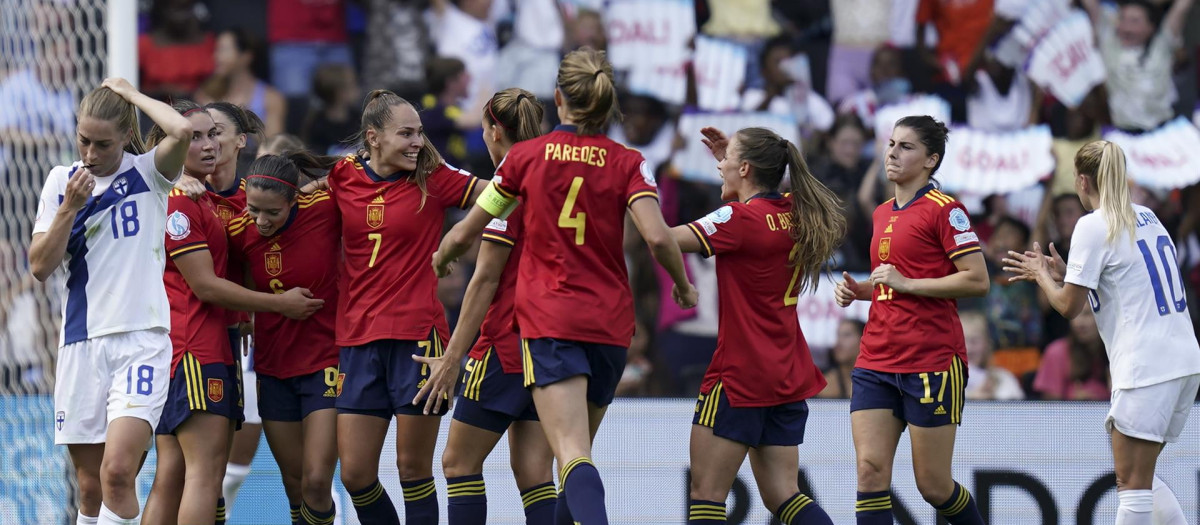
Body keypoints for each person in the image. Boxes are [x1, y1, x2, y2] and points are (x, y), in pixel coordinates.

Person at [432, 47, 697, 524]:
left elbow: (466, 231)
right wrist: (683, 286)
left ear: (559, 97)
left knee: (571, 456)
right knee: (556, 465)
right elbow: (658, 237)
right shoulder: (630, 161)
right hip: (612, 327)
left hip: (551, 323)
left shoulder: (524, 159)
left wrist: (442, 257)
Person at [139, 100, 324, 525]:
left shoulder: (225, 200)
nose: (210, 145)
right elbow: (205, 285)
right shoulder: (181, 200)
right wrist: (280, 304)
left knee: (176, 474)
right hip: (196, 348)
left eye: (213, 134)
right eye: (196, 136)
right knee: (204, 475)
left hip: (206, 346)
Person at [1003, 140, 1200, 523]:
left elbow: (1067, 307)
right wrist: (1069, 275)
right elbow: (1125, 282)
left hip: (1146, 367)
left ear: (1081, 181)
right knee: (1140, 478)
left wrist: (1043, 276)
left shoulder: (1092, 225)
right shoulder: (1146, 215)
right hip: (1183, 359)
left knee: (1131, 484)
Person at [314, 89, 485, 525]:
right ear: (373, 137)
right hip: (357, 340)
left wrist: (469, 232)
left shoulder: (434, 176)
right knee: (354, 474)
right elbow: (290, 201)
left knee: (413, 470)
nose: (417, 142)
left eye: (420, 133)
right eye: (406, 133)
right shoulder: (343, 175)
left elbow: (494, 196)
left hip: (418, 338)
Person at [29, 77, 192, 525]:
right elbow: (40, 266)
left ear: (125, 136)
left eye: (103, 144)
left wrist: (131, 94)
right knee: (89, 489)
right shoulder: (62, 181)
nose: (90, 154)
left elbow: (181, 131)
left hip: (141, 342)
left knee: (118, 472)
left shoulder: (149, 174)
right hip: (82, 344)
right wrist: (69, 208)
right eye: (84, 141)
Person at [669, 126, 843, 524]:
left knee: (706, 497)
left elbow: (663, 238)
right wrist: (731, 164)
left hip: (740, 375)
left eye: (727, 160)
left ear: (745, 168)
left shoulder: (739, 219)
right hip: (784, 371)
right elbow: (755, 197)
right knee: (785, 495)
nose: (720, 167)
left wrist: (630, 198)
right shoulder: (795, 211)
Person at [833, 115, 989, 524]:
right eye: (890, 144)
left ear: (930, 160)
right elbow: (894, 281)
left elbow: (977, 280)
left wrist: (908, 283)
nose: (892, 153)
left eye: (906, 147)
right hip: (876, 359)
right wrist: (860, 290)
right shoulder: (883, 211)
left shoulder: (946, 210)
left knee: (933, 485)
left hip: (931, 359)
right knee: (869, 471)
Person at [412, 88, 556, 525]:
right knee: (534, 473)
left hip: (505, 348)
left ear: (494, 130)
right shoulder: (554, 184)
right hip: (550, 347)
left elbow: (485, 279)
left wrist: (453, 357)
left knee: (458, 463)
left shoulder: (507, 190)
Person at [226, 151, 342, 525]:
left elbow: (361, 169)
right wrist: (247, 313)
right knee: (293, 483)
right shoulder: (239, 230)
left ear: (295, 199)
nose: (260, 220)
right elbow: (228, 273)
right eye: (253, 208)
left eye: (271, 212)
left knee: (317, 479)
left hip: (327, 359)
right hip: (273, 366)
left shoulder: (324, 208)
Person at [196, 28, 287, 137]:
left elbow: (273, 145)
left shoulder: (271, 99)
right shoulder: (207, 93)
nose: (216, 56)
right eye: (216, 50)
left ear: (246, 56)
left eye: (223, 50)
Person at [1032, 309, 1110, 401]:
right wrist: (1076, 406)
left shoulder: (1118, 352)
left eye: (1087, 314)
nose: (1079, 323)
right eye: (1074, 315)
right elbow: (1050, 409)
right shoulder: (1056, 352)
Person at [958, 311, 1024, 401]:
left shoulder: (1004, 379)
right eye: (962, 342)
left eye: (974, 341)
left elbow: (1018, 411)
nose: (968, 349)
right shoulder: (942, 383)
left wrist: (992, 398)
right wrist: (971, 398)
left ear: (987, 344)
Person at [819, 319, 865, 399]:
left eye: (847, 335)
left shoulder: (876, 381)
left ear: (864, 340)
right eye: (838, 335)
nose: (839, 342)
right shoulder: (828, 384)